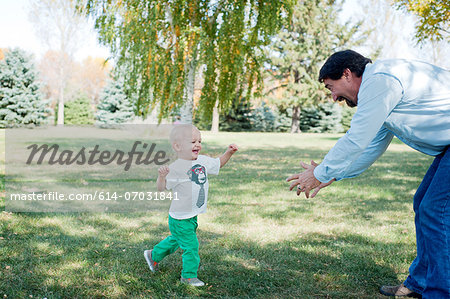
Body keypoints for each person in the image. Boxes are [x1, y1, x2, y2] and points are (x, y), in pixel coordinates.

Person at [286, 50, 450, 298]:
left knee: (434, 209)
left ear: (347, 74)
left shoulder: (380, 82)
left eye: (332, 87)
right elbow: (371, 146)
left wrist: (319, 172)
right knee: (424, 203)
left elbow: (356, 138)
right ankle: (420, 283)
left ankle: (439, 292)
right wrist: (333, 174)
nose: (333, 96)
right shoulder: (380, 90)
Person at [144, 124, 238, 287]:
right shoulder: (176, 169)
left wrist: (228, 153)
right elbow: (162, 188)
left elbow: (218, 164)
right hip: (180, 217)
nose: (197, 145)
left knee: (176, 240)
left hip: (190, 215)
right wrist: (161, 177)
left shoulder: (202, 161)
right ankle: (188, 277)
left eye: (199, 141)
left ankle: (153, 255)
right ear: (178, 146)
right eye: (192, 141)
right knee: (191, 246)